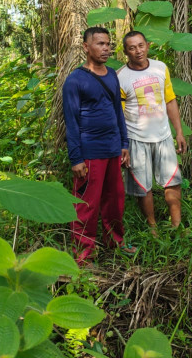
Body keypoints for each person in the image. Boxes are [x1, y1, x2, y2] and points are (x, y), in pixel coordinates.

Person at [62, 26, 135, 264]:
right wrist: (76, 158)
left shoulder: (112, 74)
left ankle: (116, 243)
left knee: (114, 201)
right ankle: (84, 256)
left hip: (113, 149)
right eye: (100, 44)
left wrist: (124, 143)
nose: (106, 48)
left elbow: (117, 111)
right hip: (90, 153)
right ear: (86, 47)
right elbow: (71, 121)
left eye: (108, 44)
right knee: (87, 206)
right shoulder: (75, 80)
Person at [117, 31, 188, 231]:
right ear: (125, 52)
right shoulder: (121, 77)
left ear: (148, 45)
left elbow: (170, 100)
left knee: (172, 182)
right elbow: (119, 115)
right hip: (135, 139)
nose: (137, 51)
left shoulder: (160, 68)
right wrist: (123, 146)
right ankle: (153, 227)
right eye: (132, 48)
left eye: (140, 46)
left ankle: (177, 225)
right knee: (143, 187)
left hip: (163, 136)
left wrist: (179, 132)